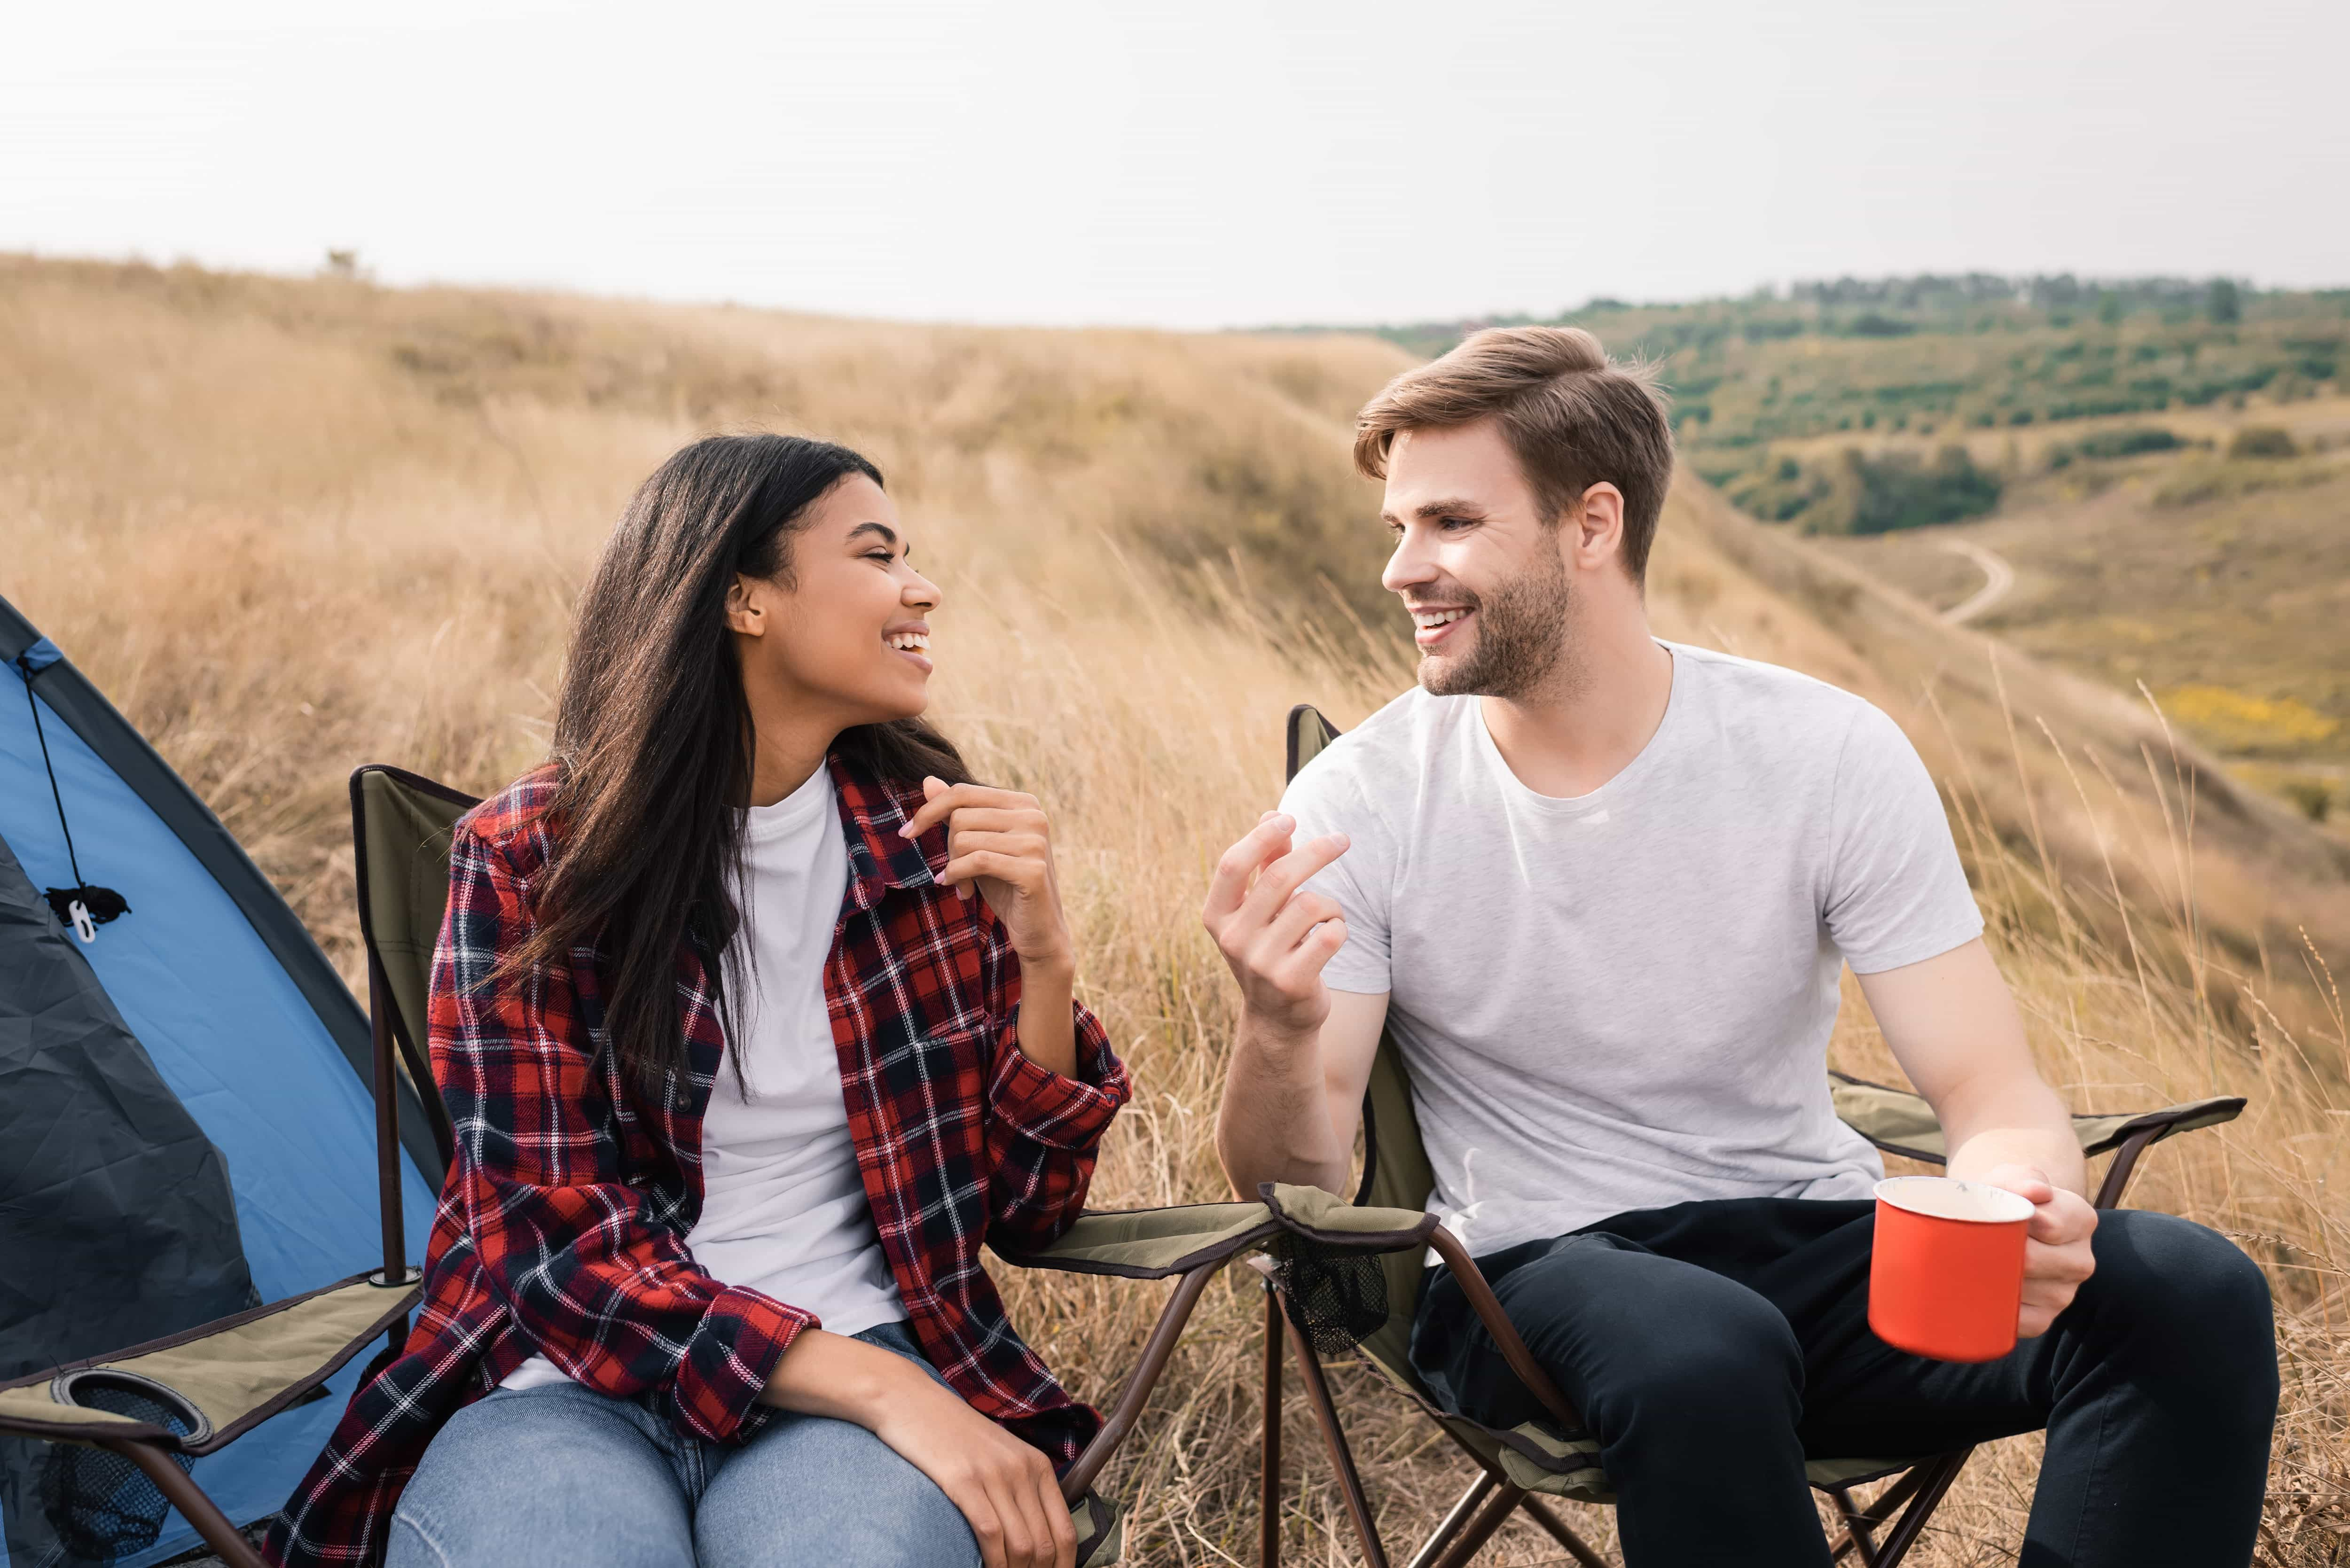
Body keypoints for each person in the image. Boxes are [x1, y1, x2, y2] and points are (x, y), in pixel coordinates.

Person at [1206, 327, 2275, 1567]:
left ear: (1590, 525)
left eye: (1446, 523)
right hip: (1537, 1281)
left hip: (1811, 1241)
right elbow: (1293, 1184)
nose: (1402, 568)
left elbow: (1989, 1088)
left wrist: (2028, 1194)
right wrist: (1276, 1029)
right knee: (1704, 1344)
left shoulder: (1824, 753)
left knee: (2189, 1291)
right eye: (1397, 526)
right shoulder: (1363, 800)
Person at [266, 435, 1128, 1568]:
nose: (921, 587)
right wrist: (882, 1390)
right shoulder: (532, 859)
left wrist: (1046, 958)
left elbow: (1028, 1213)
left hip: (849, 1388)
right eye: (876, 556)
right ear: (742, 599)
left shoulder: (922, 848)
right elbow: (556, 1252)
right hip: (562, 1384)